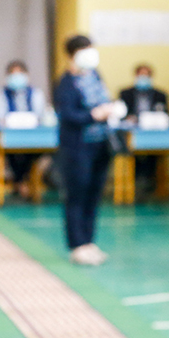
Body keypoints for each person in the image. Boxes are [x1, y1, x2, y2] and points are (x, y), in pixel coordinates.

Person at [53, 34, 115, 266]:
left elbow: (103, 99)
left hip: (101, 144)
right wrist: (92, 115)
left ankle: (89, 241)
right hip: (77, 147)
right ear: (73, 55)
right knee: (76, 195)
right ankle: (77, 244)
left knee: (93, 194)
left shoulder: (96, 76)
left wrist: (110, 109)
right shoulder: (66, 82)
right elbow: (68, 115)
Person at [0, 60, 48, 198]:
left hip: (32, 135)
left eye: (20, 74)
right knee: (9, 152)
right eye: (13, 74)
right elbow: (0, 116)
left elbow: (40, 116)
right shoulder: (2, 94)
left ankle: (19, 180)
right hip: (10, 135)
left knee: (32, 152)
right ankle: (21, 181)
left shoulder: (35, 93)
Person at [119, 64, 169, 194]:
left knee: (153, 153)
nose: (143, 78)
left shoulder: (160, 95)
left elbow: (168, 117)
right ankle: (139, 180)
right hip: (132, 133)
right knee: (131, 152)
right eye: (141, 75)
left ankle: (147, 180)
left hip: (154, 135)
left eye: (146, 75)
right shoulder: (125, 94)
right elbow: (119, 115)